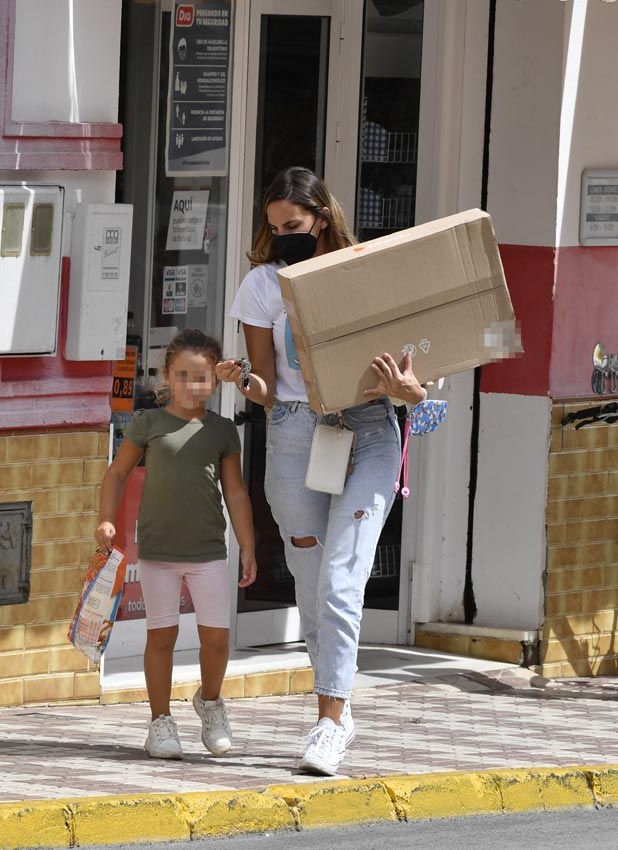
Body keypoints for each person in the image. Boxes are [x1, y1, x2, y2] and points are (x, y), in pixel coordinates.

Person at [218, 166, 426, 775]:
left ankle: (330, 721)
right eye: (275, 227)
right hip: (293, 432)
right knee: (311, 586)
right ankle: (336, 703)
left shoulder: (366, 269)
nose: (284, 236)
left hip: (367, 432)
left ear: (322, 218)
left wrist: (412, 389)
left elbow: (422, 374)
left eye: (295, 225)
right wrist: (242, 381)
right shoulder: (261, 285)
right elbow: (263, 383)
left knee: (339, 580)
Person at [95, 329, 257, 759]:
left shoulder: (222, 430)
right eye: (182, 375)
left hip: (207, 552)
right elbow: (116, 474)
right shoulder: (147, 424)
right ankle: (160, 722)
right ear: (167, 374)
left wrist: (248, 545)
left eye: (201, 377)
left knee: (217, 639)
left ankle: (211, 701)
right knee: (161, 637)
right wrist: (106, 521)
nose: (192, 385)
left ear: (215, 381)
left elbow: (236, 492)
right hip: (158, 554)